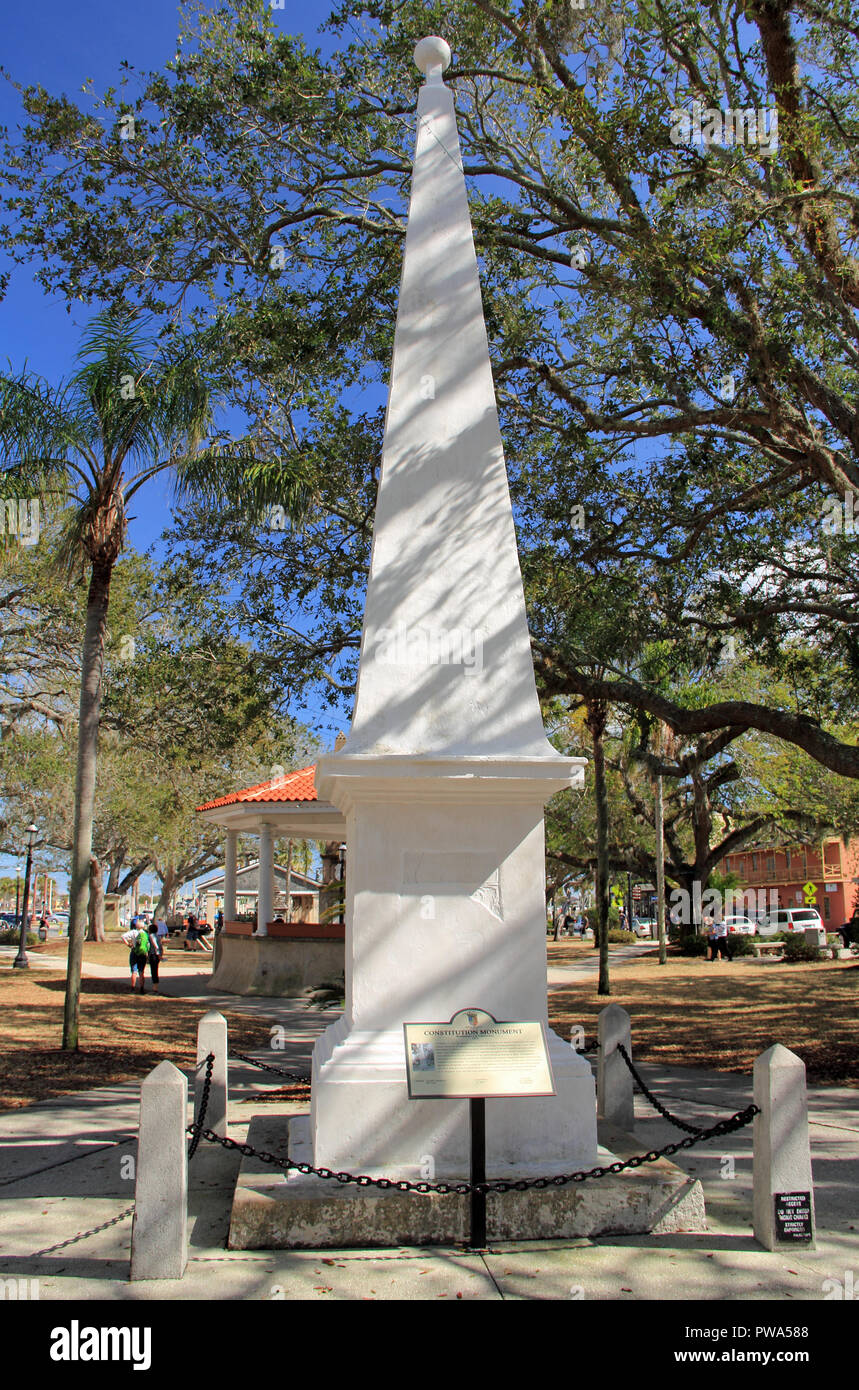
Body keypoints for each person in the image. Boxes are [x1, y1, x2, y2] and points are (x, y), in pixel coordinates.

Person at [122, 920, 151, 993]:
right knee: (141, 972)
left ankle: (133, 988)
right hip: (143, 954)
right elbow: (148, 945)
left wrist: (128, 944)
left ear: (136, 926)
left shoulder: (133, 932)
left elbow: (123, 936)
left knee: (134, 971)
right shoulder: (146, 934)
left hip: (134, 952)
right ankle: (141, 988)